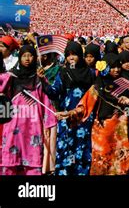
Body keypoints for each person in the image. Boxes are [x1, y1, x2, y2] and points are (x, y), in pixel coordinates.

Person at [56, 53, 129, 175]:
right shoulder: (97, 87)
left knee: (123, 166)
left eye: (118, 66)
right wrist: (69, 114)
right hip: (102, 134)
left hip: (123, 134)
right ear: (105, 68)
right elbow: (84, 107)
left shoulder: (127, 87)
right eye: (112, 67)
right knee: (102, 165)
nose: (116, 69)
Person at [0, 45, 57, 175]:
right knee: (10, 161)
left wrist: (49, 124)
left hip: (33, 124)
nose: (27, 59)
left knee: (32, 159)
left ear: (35, 58)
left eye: (30, 55)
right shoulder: (10, 77)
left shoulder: (39, 78)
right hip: (13, 124)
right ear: (19, 57)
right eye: (24, 55)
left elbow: (47, 100)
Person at [45, 41, 95, 175]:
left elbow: (96, 94)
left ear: (80, 55)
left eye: (75, 54)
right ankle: (64, 172)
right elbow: (54, 92)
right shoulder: (62, 73)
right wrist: (44, 83)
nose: (71, 58)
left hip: (85, 117)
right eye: (68, 55)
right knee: (66, 145)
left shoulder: (90, 73)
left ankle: (81, 172)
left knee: (82, 145)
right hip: (66, 117)